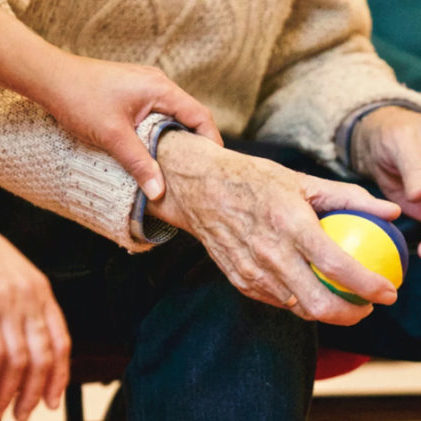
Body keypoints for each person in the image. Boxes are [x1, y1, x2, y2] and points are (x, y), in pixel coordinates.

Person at [1, 0, 421, 420]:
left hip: (222, 160)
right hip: (26, 182)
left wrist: (376, 124)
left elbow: (308, 53)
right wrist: (178, 172)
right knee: (244, 259)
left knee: (269, 227)